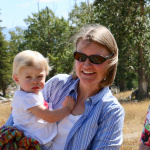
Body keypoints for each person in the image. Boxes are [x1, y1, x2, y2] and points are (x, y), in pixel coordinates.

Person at [5, 24, 125, 150]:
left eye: (96, 59)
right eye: (80, 57)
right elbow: (14, 123)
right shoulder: (56, 84)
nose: (87, 64)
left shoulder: (111, 111)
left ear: (111, 61)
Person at [6, 50, 75, 149]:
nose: (34, 81)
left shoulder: (21, 95)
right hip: (34, 143)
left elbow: (13, 111)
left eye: (39, 76)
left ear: (45, 75)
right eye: (28, 77)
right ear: (17, 79)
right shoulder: (28, 98)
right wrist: (67, 108)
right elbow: (50, 117)